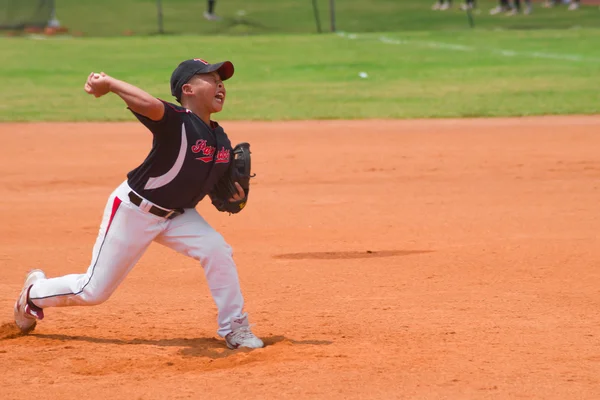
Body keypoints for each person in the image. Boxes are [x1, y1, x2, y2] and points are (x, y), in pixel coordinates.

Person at [13, 58, 265, 350]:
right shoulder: (176, 121)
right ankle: (33, 293)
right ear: (188, 89)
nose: (220, 85)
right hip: (135, 209)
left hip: (178, 216)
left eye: (222, 81)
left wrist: (233, 198)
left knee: (217, 250)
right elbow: (146, 103)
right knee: (93, 291)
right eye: (211, 78)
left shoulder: (220, 139)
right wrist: (109, 84)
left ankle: (235, 327)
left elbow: (214, 188)